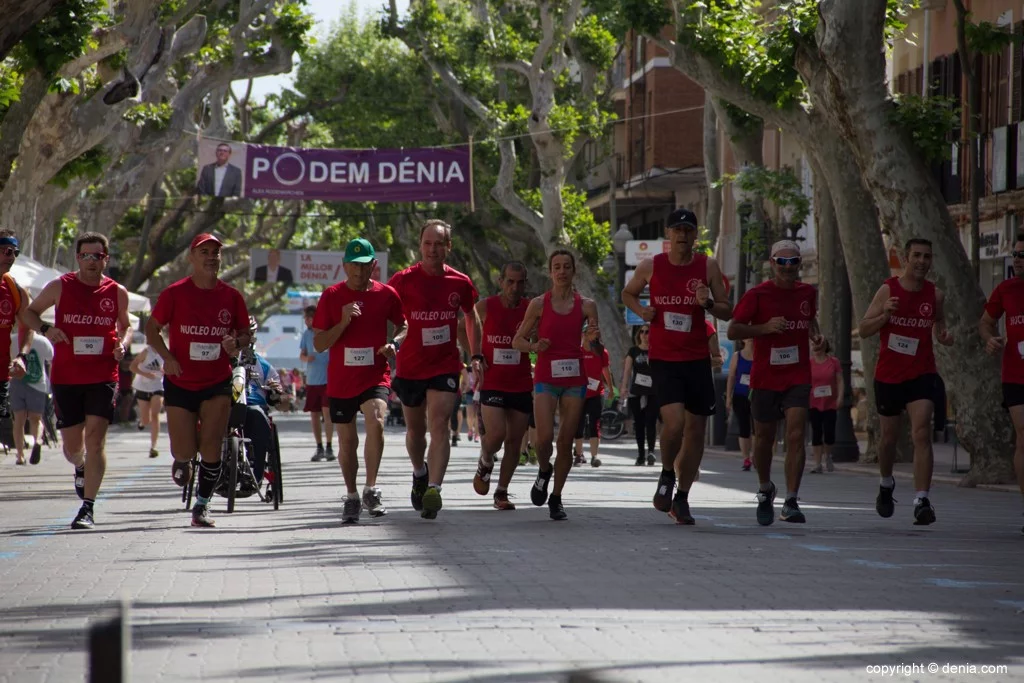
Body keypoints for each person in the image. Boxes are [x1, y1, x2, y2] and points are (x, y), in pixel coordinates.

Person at [621, 208, 732, 526]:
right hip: (664, 358)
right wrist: (642, 310)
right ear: (668, 235)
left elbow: (727, 309)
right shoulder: (650, 266)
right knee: (674, 423)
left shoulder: (707, 266)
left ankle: (682, 497)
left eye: (688, 229)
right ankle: (667, 472)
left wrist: (708, 303)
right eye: (677, 229)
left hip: (697, 358)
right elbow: (627, 294)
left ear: (696, 234)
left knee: (696, 430)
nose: (682, 234)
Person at [24, 232, 132, 530]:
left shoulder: (116, 292)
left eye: (97, 256)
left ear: (105, 259)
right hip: (67, 377)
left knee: (95, 440)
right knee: (73, 448)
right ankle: (80, 466)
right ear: (77, 258)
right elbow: (30, 313)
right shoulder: (60, 286)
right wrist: (47, 329)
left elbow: (126, 326)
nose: (91, 261)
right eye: (85, 255)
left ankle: (88, 507)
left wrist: (122, 343)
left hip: (103, 375)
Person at [145, 233, 251, 528]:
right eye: (204, 252)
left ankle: (202, 505)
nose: (211, 257)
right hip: (181, 381)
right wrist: (167, 356)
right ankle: (181, 459)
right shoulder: (175, 293)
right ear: (191, 258)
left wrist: (236, 343)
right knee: (185, 451)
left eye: (216, 252)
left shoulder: (231, 296)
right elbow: (152, 329)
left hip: (217, 381)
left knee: (212, 447)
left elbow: (245, 333)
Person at [387, 220, 479, 520]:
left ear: (448, 247)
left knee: (439, 424)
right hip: (411, 366)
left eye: (439, 243)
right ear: (420, 246)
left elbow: (471, 317)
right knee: (415, 432)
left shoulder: (460, 283)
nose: (433, 249)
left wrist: (475, 355)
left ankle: (434, 490)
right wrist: (386, 347)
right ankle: (419, 472)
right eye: (428, 243)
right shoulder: (402, 280)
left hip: (445, 365)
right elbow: (386, 317)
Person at [728, 239, 823, 526]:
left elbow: (809, 321)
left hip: (797, 375)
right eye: (781, 262)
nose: (788, 267)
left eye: (793, 262)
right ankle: (765, 488)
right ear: (772, 263)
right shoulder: (757, 295)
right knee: (765, 438)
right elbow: (733, 329)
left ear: (799, 264)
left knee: (795, 433)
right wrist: (764, 328)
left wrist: (816, 336)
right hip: (765, 376)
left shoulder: (808, 292)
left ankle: (792, 500)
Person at [858, 237, 952, 526]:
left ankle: (922, 500)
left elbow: (940, 325)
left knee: (921, 433)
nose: (922, 261)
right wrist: (885, 315)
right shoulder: (889, 289)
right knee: (889, 439)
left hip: (922, 373)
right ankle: (886, 484)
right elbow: (863, 329)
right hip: (889, 376)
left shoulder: (935, 295)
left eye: (927, 256)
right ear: (906, 258)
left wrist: (944, 335)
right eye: (917, 256)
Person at [313, 238, 406, 524]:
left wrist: (395, 344)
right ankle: (352, 496)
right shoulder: (331, 296)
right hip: (342, 381)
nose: (359, 271)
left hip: (374, 375)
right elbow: (319, 344)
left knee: (377, 420)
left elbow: (403, 325)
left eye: (365, 265)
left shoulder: (387, 294)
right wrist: (342, 322)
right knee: (347, 441)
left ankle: (371, 489)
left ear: (373, 266)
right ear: (344, 266)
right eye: (354, 265)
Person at [512, 250, 599, 520]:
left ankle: (557, 497)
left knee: (565, 442)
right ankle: (543, 470)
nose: (561, 271)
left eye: (566, 267)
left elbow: (596, 347)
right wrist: (535, 346)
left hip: (575, 379)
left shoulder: (587, 305)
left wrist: (592, 341)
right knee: (543, 439)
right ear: (550, 272)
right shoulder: (538, 304)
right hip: (547, 378)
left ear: (574, 271)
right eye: (556, 267)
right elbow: (517, 341)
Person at [472, 261, 533, 510]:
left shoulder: (532, 308)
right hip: (493, 381)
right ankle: (485, 461)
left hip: (520, 382)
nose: (514, 287)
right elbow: (463, 328)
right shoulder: (486, 306)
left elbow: (541, 336)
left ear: (525, 284)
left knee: (515, 443)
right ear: (501, 282)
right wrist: (475, 355)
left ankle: (502, 492)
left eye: (520, 282)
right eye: (510, 281)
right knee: (495, 435)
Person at [979, 234, 1024, 536]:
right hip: (1016, 376)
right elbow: (985, 321)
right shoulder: (1005, 289)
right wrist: (990, 339)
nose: (1018, 259)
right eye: (1016, 254)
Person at [0, 230, 32, 422]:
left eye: (14, 252)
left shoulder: (16, 291)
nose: (11, 257)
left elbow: (27, 327)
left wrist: (22, 356)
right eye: (5, 251)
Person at [10, 329, 52, 466]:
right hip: (37, 383)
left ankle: (20, 455)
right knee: (36, 419)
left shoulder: (12, 339)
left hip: (17, 381)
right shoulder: (42, 341)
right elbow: (51, 357)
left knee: (19, 420)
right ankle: (38, 440)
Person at [574, 331, 614, 467]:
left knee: (594, 424)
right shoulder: (576, 351)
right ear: (582, 334)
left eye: (594, 334)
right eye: (588, 333)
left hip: (597, 393)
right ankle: (578, 455)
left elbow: (605, 370)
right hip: (578, 393)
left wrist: (610, 388)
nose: (591, 336)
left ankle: (594, 456)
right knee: (577, 425)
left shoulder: (602, 352)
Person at [300, 305, 333, 462]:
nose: (307, 320)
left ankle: (329, 446)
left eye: (309, 317)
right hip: (312, 379)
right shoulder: (306, 334)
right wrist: (307, 359)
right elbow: (302, 355)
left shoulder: (327, 332)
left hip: (328, 379)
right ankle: (319, 446)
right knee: (314, 414)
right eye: (305, 318)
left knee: (327, 413)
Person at [621, 325, 657, 467]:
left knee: (651, 422)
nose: (644, 334)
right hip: (636, 391)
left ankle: (651, 452)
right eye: (641, 332)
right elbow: (627, 370)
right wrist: (624, 387)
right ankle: (641, 454)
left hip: (653, 391)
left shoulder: (656, 350)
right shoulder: (633, 351)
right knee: (639, 423)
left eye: (647, 332)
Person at [808, 339, 843, 474]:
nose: (816, 348)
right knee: (816, 433)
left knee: (829, 433)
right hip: (814, 402)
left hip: (830, 402)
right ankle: (817, 464)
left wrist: (840, 397)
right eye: (813, 346)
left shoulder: (834, 362)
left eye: (818, 346)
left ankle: (828, 456)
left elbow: (840, 381)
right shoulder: (809, 363)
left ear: (825, 347)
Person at [129, 343, 165, 458]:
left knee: (155, 415)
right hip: (142, 387)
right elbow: (132, 367)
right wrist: (145, 374)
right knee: (146, 419)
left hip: (157, 386)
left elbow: (169, 368)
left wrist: (164, 371)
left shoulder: (165, 353)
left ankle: (153, 447)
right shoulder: (146, 352)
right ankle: (142, 423)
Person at [725, 339, 755, 471]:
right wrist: (728, 397)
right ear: (743, 339)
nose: (751, 339)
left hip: (756, 396)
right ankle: (746, 458)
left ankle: (756, 456)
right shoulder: (737, 355)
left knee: (757, 428)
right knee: (744, 426)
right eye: (748, 336)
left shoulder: (760, 354)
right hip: (740, 395)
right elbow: (731, 376)